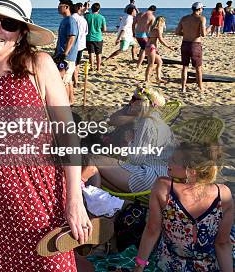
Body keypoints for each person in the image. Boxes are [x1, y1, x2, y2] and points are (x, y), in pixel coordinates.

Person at [0, 0, 91, 271]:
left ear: (21, 33)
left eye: (9, 24)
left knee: (49, 264)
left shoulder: (38, 65)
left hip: (36, 197)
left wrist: (74, 200)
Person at [134, 143, 233, 271]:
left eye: (173, 160)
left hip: (170, 264)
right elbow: (222, 243)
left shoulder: (163, 187)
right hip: (208, 266)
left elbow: (152, 230)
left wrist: (139, 266)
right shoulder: (223, 194)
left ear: (191, 171)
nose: (168, 161)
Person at [82, 85, 176, 193]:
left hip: (149, 178)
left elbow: (136, 159)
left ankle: (90, 199)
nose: (130, 102)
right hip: (160, 176)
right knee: (95, 170)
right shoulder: (153, 119)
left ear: (144, 103)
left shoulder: (147, 123)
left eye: (134, 99)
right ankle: (95, 201)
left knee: (90, 159)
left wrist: (129, 140)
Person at [175, 2, 207, 93]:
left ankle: (183, 88)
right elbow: (203, 34)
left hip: (185, 43)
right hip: (195, 44)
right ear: (200, 9)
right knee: (198, 68)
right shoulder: (201, 18)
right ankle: (200, 87)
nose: (202, 10)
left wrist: (186, 34)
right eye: (202, 9)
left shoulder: (184, 18)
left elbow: (177, 32)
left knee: (185, 67)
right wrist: (208, 30)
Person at [55, 0, 79, 104]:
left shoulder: (70, 20)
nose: (58, 8)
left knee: (62, 81)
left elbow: (72, 37)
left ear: (67, 7)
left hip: (67, 57)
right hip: (62, 55)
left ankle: (64, 105)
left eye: (60, 5)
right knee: (67, 80)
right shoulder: (64, 20)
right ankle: (70, 101)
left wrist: (64, 54)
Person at [144, 16, 176, 84]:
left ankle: (158, 78)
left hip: (149, 47)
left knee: (160, 62)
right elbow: (161, 40)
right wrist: (169, 46)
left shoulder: (152, 28)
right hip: (151, 47)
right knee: (151, 64)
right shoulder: (157, 29)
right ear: (161, 22)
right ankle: (146, 79)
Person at [133, 5, 157, 70]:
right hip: (143, 35)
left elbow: (133, 23)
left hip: (137, 34)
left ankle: (140, 63)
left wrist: (133, 32)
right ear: (154, 11)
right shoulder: (152, 17)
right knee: (145, 49)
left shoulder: (139, 14)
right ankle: (139, 64)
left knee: (143, 49)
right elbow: (151, 28)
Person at [71, 2, 88, 88]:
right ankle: (75, 81)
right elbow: (86, 32)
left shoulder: (72, 18)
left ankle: (74, 80)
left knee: (73, 63)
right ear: (79, 8)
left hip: (74, 44)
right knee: (76, 63)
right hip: (80, 44)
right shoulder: (82, 19)